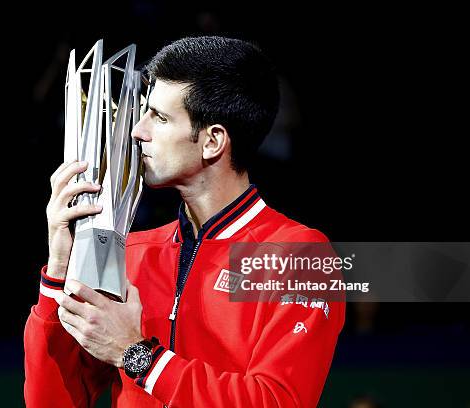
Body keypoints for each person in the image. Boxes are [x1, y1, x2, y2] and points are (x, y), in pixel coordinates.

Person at [24, 36, 345, 407]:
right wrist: (59, 273)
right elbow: (50, 402)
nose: (137, 131)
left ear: (212, 141)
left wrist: (136, 355)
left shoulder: (297, 258)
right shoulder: (133, 251)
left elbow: (276, 401)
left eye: (159, 117)